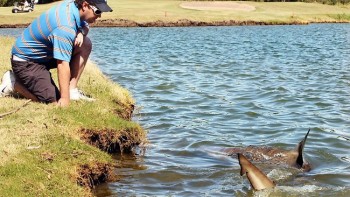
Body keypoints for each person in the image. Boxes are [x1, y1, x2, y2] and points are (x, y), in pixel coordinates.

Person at [0, 0, 112, 107]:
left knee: (85, 43)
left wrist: (81, 32)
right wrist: (64, 99)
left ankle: (71, 91)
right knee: (52, 101)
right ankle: (12, 83)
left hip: (45, 54)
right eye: (98, 11)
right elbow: (62, 64)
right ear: (84, 5)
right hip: (26, 61)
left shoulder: (72, 5)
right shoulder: (64, 27)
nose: (100, 16)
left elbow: (84, 24)